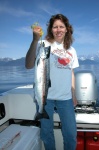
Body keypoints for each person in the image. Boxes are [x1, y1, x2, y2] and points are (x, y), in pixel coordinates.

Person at [25, 14, 79, 150]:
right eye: (55, 27)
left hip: (65, 98)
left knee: (71, 135)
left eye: (61, 26)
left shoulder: (72, 50)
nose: (58, 29)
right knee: (46, 133)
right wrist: (35, 40)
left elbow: (71, 72)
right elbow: (29, 64)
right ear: (51, 29)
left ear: (67, 29)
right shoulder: (43, 44)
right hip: (45, 98)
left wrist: (73, 92)